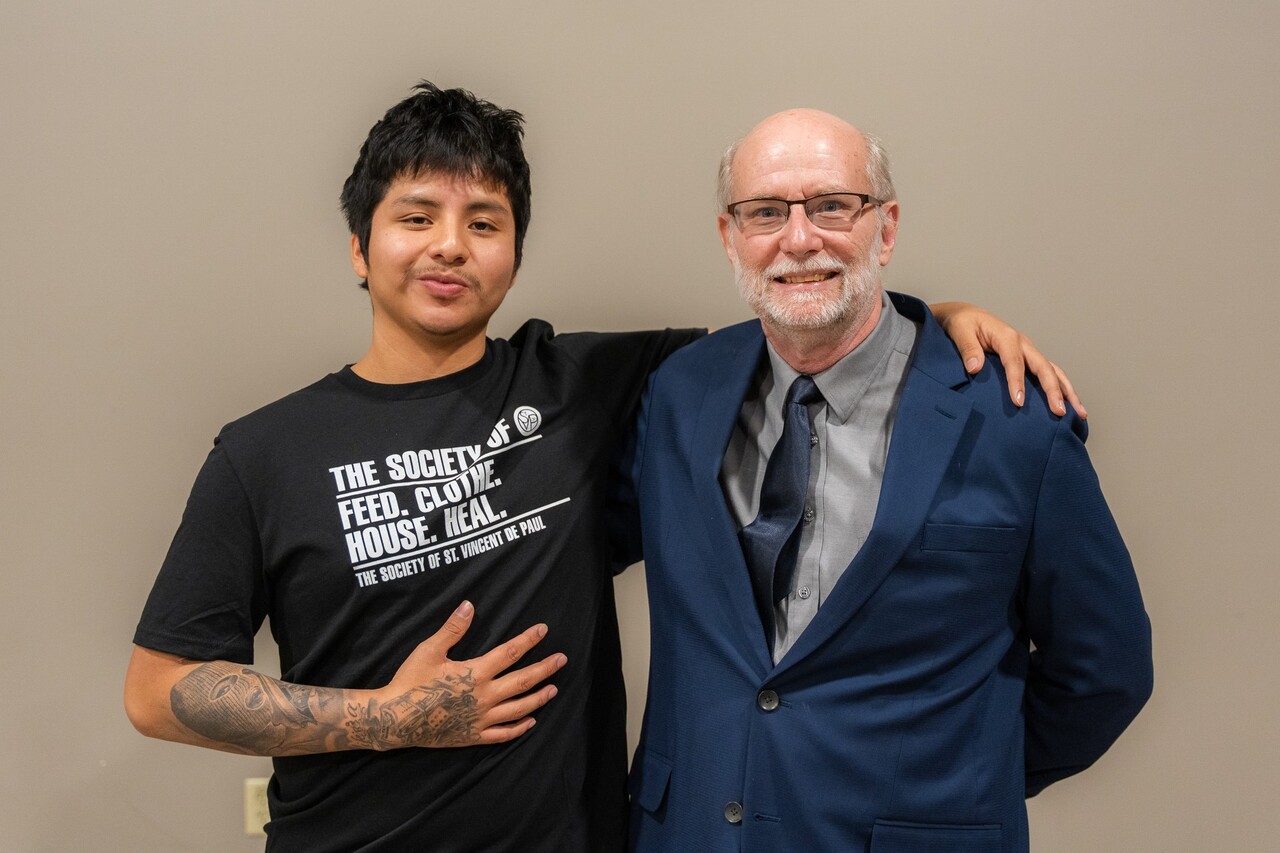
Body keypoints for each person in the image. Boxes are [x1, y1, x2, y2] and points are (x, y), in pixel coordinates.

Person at [123, 83, 1084, 853]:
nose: (450, 245)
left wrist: (942, 319)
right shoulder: (264, 451)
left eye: (484, 222)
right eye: (416, 217)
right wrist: (388, 716)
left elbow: (809, 313)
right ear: (359, 249)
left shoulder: (592, 387)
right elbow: (156, 690)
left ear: (515, 255)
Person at [623, 109, 1153, 853]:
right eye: (765, 212)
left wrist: (963, 773)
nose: (798, 238)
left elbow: (1105, 672)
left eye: (832, 206)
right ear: (729, 236)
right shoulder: (678, 393)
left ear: (887, 227)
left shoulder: (1015, 421)